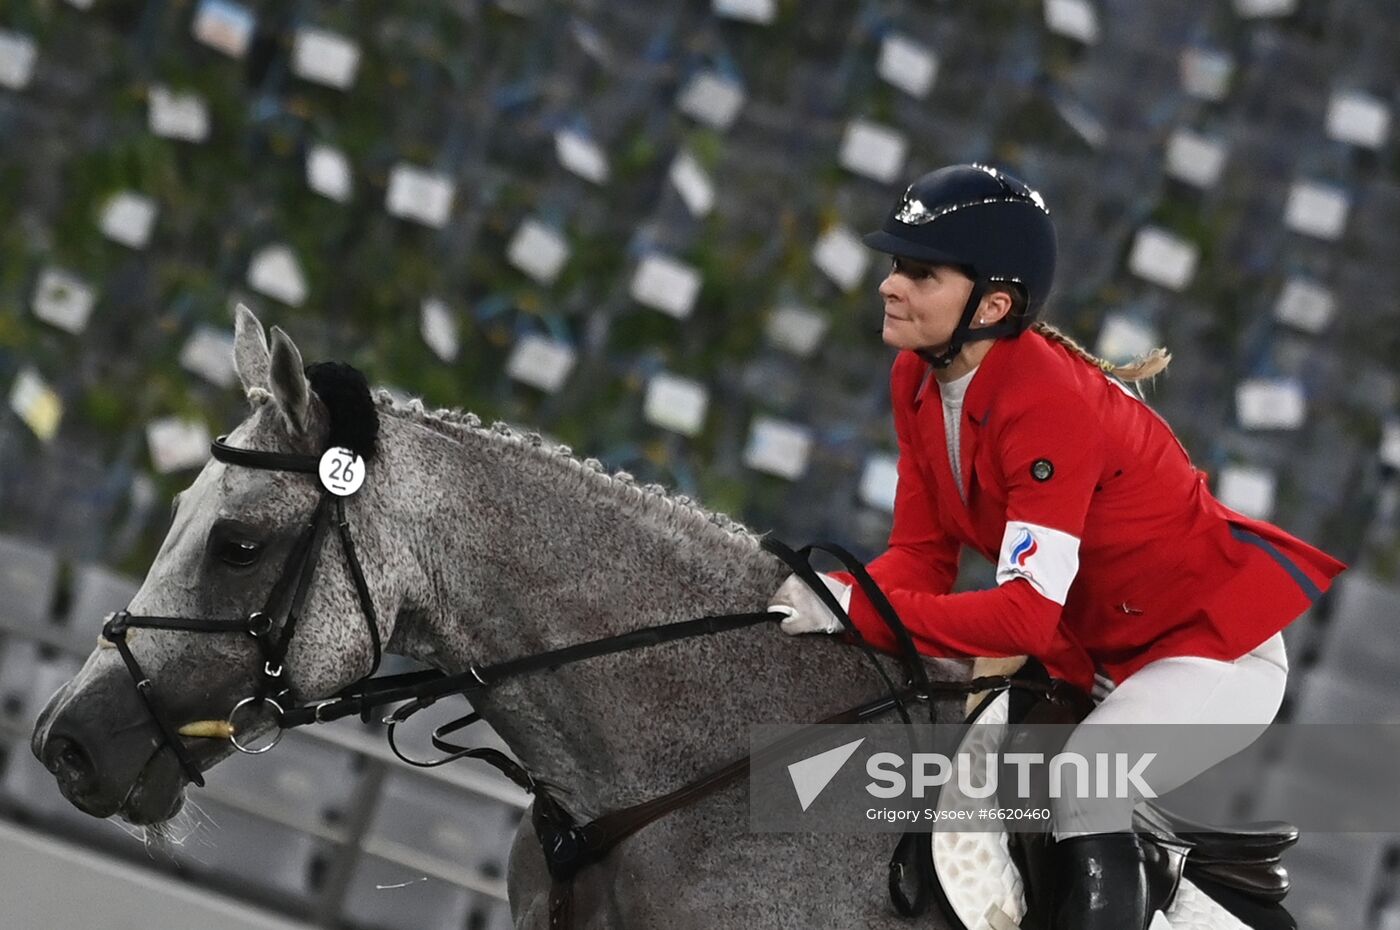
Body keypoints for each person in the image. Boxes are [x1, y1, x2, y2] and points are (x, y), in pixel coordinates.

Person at [767, 163, 1346, 930]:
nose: (889, 285)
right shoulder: (915, 377)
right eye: (894, 266)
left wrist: (857, 614)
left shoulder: (1047, 403)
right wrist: (838, 603)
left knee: (1086, 783)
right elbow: (921, 557)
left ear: (992, 304)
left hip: (1207, 653)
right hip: (1096, 647)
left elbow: (1023, 620)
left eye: (918, 273)